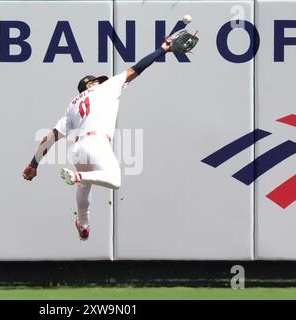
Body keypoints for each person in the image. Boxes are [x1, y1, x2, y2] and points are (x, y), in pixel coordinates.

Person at [23, 29, 198, 240]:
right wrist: (163, 49)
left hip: (78, 149)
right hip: (97, 143)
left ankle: (83, 222)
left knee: (84, 187)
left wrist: (34, 164)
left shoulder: (72, 106)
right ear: (89, 85)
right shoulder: (105, 88)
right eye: (96, 80)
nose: (100, 80)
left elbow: (48, 138)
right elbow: (138, 68)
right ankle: (78, 177)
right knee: (114, 180)